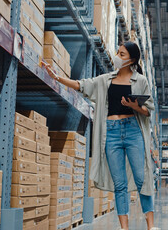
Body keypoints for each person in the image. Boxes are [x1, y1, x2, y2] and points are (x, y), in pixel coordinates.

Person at [45, 41, 160, 230]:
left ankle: (151, 225)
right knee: (119, 183)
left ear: (131, 59)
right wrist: (57, 77)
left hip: (133, 131)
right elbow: (80, 85)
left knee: (142, 178)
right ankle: (124, 227)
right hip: (111, 132)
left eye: (122, 54)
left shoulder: (141, 81)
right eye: (118, 52)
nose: (117, 56)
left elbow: (148, 112)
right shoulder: (105, 80)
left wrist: (134, 106)